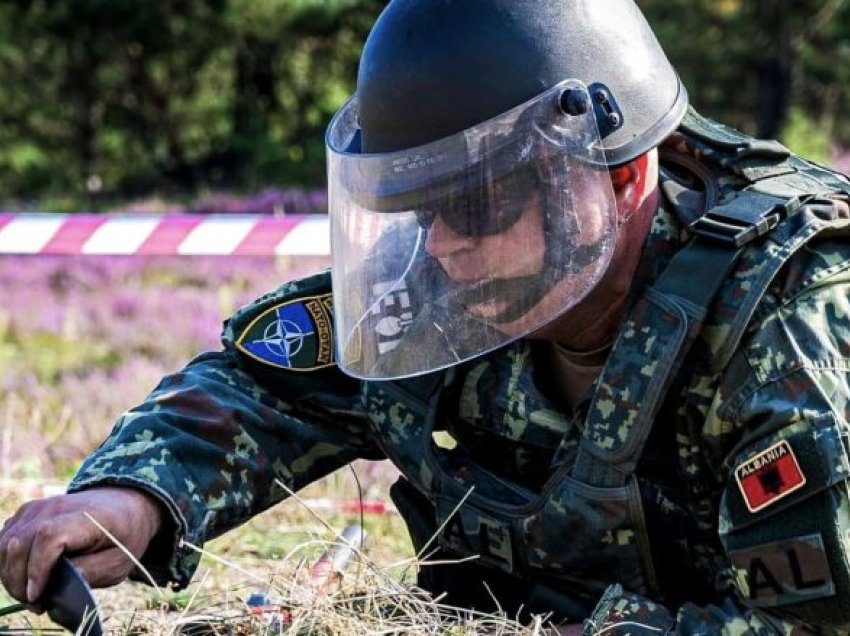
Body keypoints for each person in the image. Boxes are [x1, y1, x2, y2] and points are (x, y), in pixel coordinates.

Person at [2, 0, 850, 633]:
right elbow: (270, 382)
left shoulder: (788, 320)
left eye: (477, 207)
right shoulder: (461, 271)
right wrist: (135, 495)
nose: (440, 246)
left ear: (622, 179)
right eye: (419, 208)